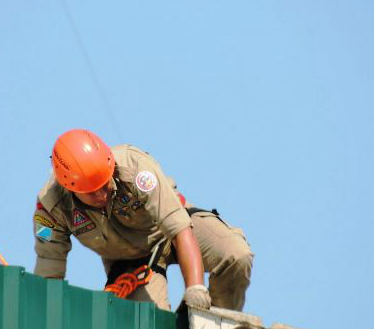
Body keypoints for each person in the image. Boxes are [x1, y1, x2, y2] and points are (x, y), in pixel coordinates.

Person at [33, 129, 253, 311]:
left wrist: (195, 289)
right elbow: (48, 269)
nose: (101, 195)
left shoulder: (135, 167)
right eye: (92, 192)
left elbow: (179, 229)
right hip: (130, 262)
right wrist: (45, 312)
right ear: (69, 187)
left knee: (236, 255)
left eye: (104, 185)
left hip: (170, 231)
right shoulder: (52, 208)